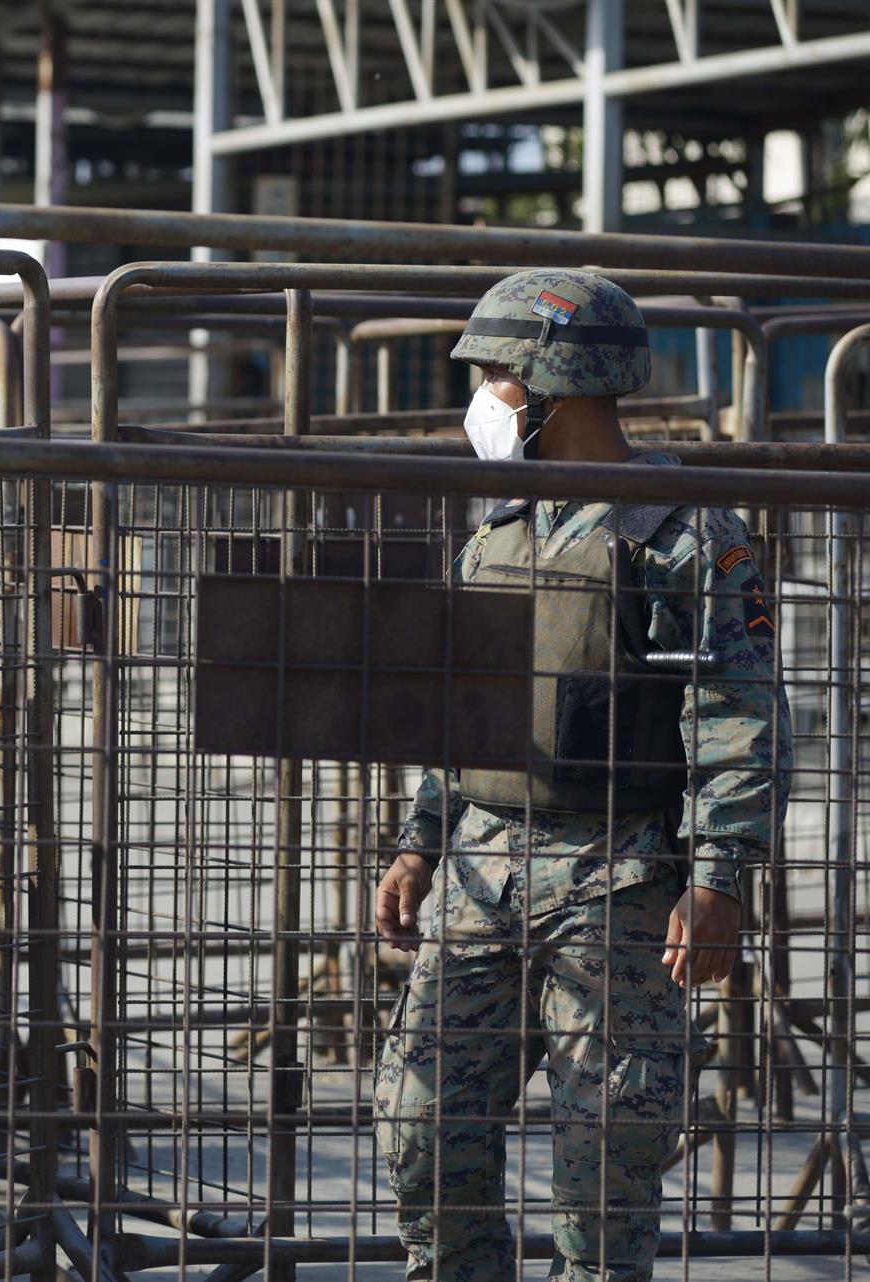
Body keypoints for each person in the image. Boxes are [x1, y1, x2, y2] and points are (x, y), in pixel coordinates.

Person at [371, 269, 792, 1282]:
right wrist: (419, 839)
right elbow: (461, 701)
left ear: (558, 379)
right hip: (481, 867)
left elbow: (738, 715)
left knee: (608, 1156)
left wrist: (720, 876)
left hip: (621, 876)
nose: (483, 401)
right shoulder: (497, 527)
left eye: (496, 379)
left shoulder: (683, 535)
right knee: (420, 1116)